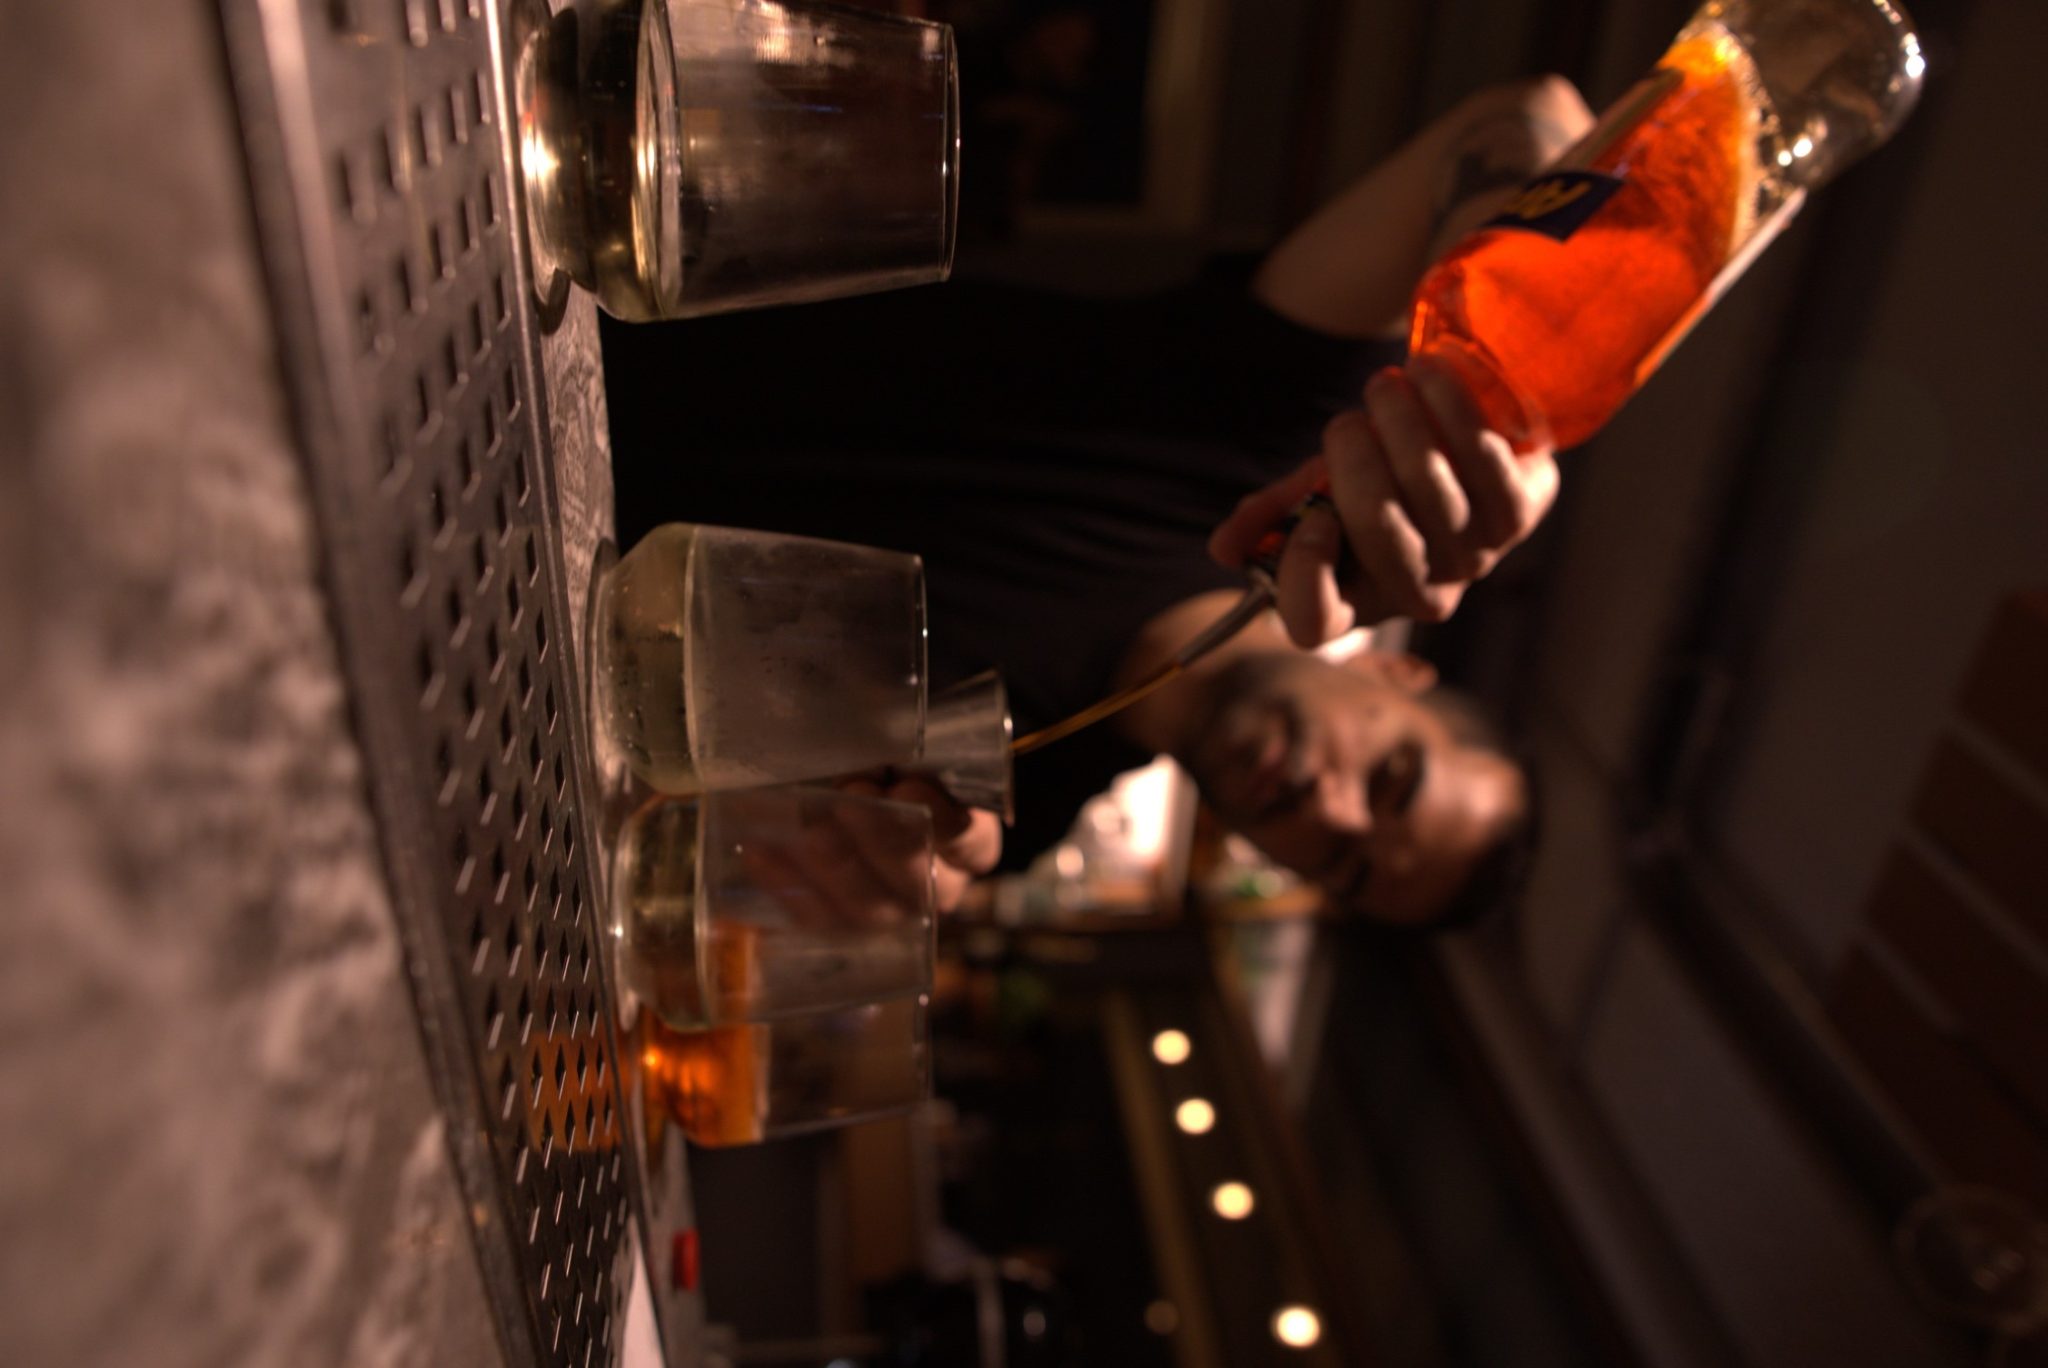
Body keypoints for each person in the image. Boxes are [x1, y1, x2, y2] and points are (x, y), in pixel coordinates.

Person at [602, 75, 1594, 927]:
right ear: (1394, 678)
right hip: (593, 322)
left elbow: (710, 810)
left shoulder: (1016, 808)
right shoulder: (1268, 446)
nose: (1326, 812)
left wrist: (866, 851)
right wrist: (1497, 383)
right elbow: (1523, 114)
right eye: (1389, 780)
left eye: (1340, 863)